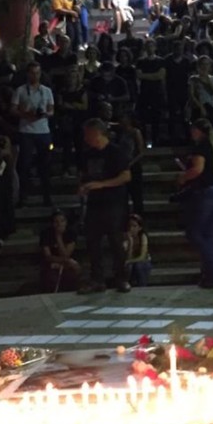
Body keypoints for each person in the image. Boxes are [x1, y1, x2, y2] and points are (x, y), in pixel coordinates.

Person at [78, 118, 132, 294]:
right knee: (93, 242)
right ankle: (97, 279)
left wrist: (101, 184)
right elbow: (85, 175)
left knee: (116, 242)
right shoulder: (88, 154)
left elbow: (125, 177)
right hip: (94, 203)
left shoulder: (116, 152)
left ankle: (121, 278)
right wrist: (84, 186)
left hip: (113, 203)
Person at [179, 118, 213, 288]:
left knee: (196, 233)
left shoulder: (201, 147)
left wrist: (183, 177)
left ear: (198, 131)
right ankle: (211, 273)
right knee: (207, 234)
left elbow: (198, 169)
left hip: (207, 193)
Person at [12, 62, 54, 207]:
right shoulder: (20, 90)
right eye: (32, 73)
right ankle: (23, 196)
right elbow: (13, 109)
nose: (34, 75)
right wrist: (25, 114)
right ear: (27, 74)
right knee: (24, 165)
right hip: (26, 131)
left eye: (37, 73)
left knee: (45, 165)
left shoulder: (46, 91)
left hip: (43, 131)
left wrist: (44, 114)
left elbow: (51, 110)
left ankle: (46, 196)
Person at [40, 209, 80, 293]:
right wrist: (65, 261)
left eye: (62, 221)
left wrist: (59, 238)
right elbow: (48, 256)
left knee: (72, 276)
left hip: (66, 263)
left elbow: (66, 254)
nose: (59, 224)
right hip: (54, 263)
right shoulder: (46, 234)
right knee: (51, 277)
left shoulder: (71, 233)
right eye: (56, 222)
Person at [124, 213, 152, 287]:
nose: (131, 229)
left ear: (140, 228)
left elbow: (142, 256)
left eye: (134, 226)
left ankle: (142, 287)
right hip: (131, 262)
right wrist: (130, 242)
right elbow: (128, 257)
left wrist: (129, 261)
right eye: (130, 226)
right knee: (129, 267)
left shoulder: (143, 236)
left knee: (139, 266)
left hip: (143, 262)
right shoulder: (125, 237)